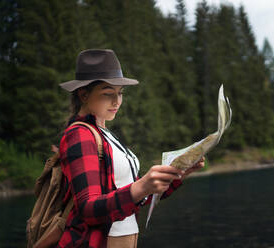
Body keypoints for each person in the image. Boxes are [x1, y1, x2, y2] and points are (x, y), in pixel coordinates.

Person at [55, 49, 205, 248]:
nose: (117, 101)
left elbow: (136, 199)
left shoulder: (104, 134)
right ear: (83, 94)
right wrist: (141, 186)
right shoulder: (79, 135)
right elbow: (88, 209)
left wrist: (179, 173)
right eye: (108, 93)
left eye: (120, 93)